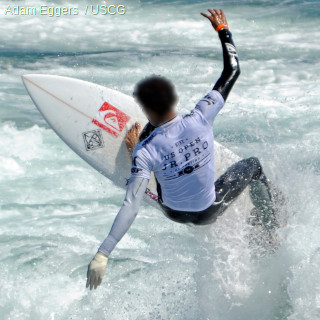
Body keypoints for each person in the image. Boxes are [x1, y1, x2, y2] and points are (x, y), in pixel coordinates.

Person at [86, 8, 279, 290]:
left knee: (148, 156)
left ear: (145, 108)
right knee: (254, 165)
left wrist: (103, 254)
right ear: (174, 100)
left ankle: (144, 162)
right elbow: (233, 70)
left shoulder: (145, 151)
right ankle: (270, 227)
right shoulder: (202, 116)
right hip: (208, 210)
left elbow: (131, 205)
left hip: (172, 211)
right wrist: (223, 29)